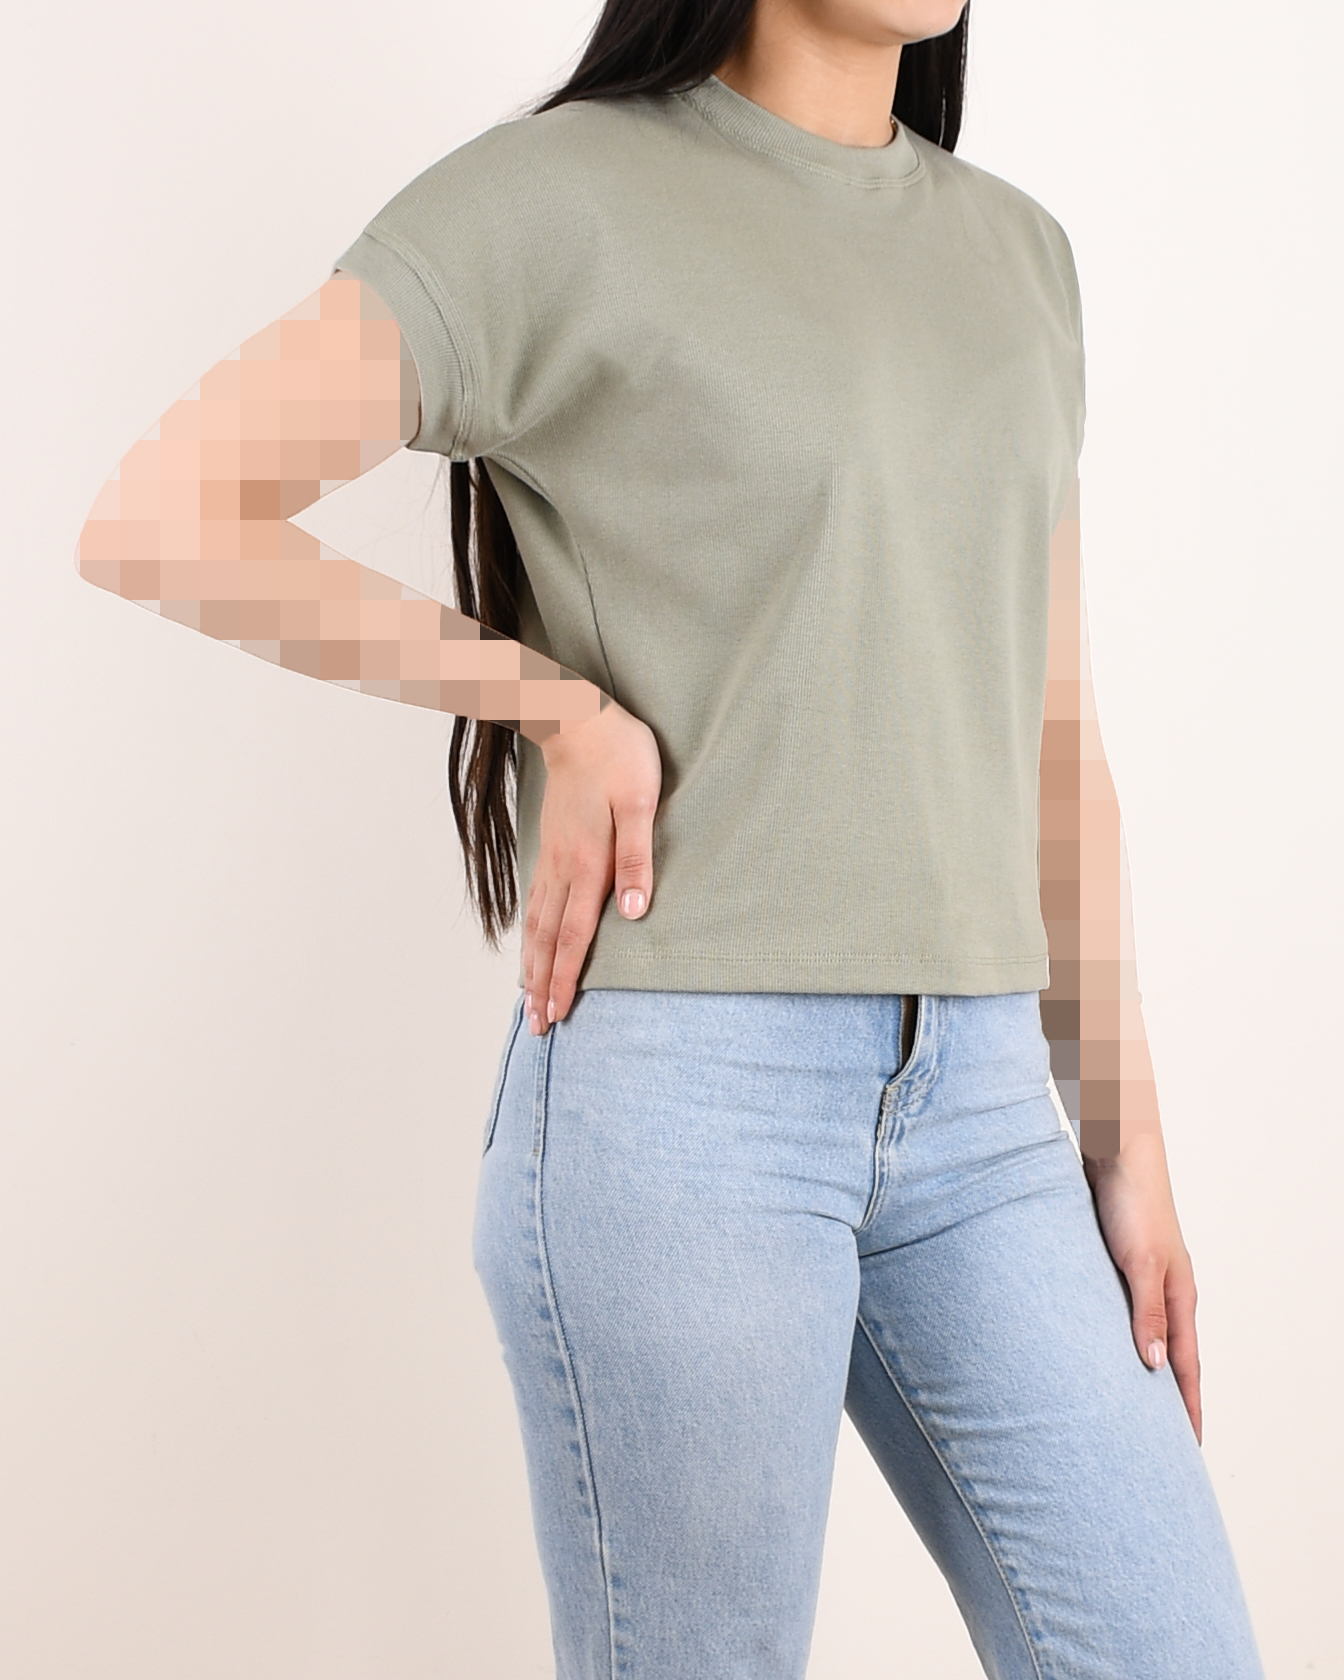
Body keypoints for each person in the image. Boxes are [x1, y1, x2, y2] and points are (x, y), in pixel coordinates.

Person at [75, 0, 1266, 1674]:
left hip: (991, 1110)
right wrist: (548, 706)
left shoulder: (1017, 257)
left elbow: (1055, 736)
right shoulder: (556, 201)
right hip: (685, 1103)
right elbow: (166, 512)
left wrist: (1126, 1137)